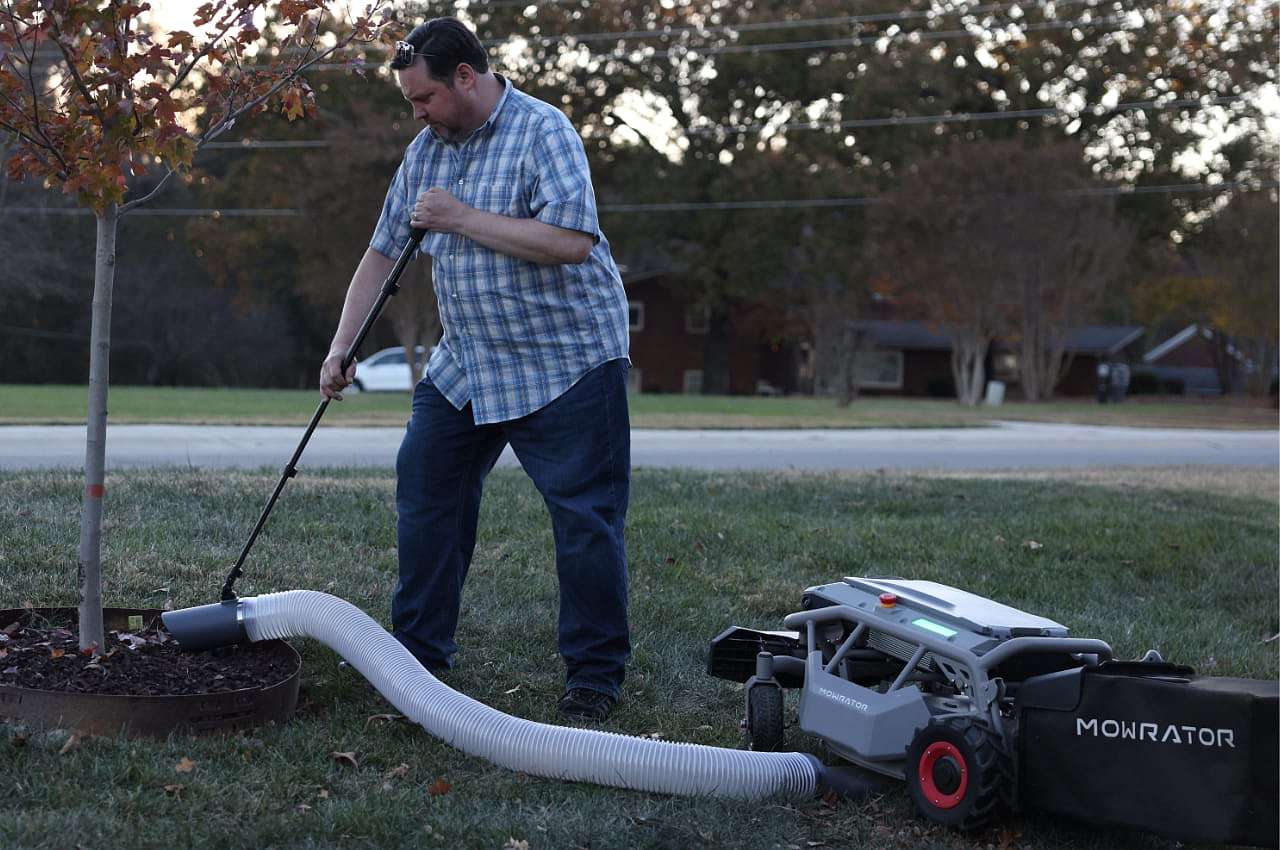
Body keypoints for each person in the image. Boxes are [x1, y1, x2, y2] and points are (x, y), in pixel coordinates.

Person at [319, 17, 632, 722]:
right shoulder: (425, 152)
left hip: (568, 361)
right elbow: (379, 254)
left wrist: (461, 218)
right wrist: (343, 346)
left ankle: (594, 677)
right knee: (426, 493)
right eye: (410, 102)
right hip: (468, 362)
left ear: (466, 76)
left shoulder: (543, 131)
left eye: (424, 97)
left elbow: (571, 242)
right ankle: (418, 663)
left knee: (585, 519)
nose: (418, 112)